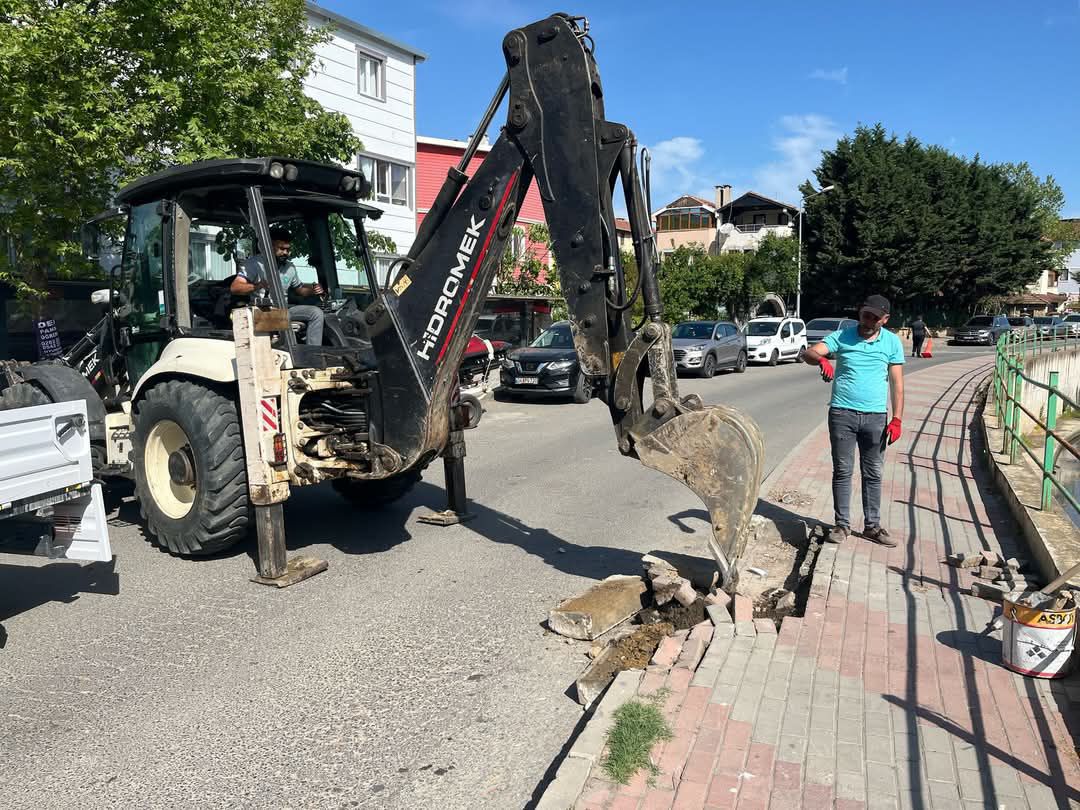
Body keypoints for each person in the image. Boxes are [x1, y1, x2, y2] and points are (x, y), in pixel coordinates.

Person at [802, 295, 905, 547]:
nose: (868, 320)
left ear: (885, 319)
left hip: (876, 418)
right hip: (842, 414)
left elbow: (897, 384)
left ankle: (872, 526)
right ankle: (842, 525)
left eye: (874, 317)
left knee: (873, 473)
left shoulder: (892, 342)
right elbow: (809, 352)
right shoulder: (843, 336)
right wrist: (822, 359)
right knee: (843, 471)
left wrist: (897, 418)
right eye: (865, 314)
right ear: (860, 313)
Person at [230, 227, 325, 345]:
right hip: (262, 311)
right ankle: (288, 348)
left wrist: (313, 290)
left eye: (288, 249)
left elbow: (300, 290)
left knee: (316, 313)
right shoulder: (254, 264)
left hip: (284, 310)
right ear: (269, 247)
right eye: (281, 249)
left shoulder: (290, 267)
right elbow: (235, 287)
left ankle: (313, 354)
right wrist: (258, 286)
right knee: (282, 320)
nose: (285, 253)